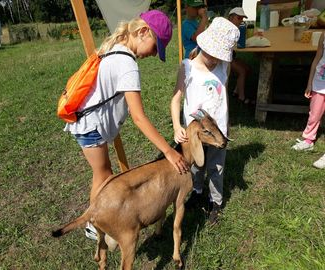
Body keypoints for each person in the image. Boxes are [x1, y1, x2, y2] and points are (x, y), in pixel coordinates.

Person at [64, 10, 189, 239]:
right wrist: (169, 151)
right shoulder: (127, 64)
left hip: (87, 123)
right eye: (155, 47)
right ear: (143, 32)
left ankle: (97, 221)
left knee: (102, 174)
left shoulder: (114, 47)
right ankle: (96, 225)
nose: (153, 54)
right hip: (91, 127)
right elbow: (139, 117)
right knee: (104, 177)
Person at [171, 17, 240, 224]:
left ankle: (215, 202)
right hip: (195, 133)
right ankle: (198, 192)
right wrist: (176, 125)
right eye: (214, 55)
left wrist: (225, 122)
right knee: (196, 166)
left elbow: (223, 93)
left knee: (216, 168)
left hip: (217, 131)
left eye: (221, 56)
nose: (217, 59)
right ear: (204, 44)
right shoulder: (187, 67)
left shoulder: (223, 66)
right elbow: (176, 99)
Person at [291, 32, 325, 169]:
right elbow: (317, 58)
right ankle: (308, 140)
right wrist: (310, 83)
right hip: (319, 82)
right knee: (314, 113)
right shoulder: (324, 35)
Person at [228, 7, 253, 104]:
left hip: (231, 56)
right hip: (224, 59)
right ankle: (241, 97)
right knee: (242, 71)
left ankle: (236, 91)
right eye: (239, 18)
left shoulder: (236, 29)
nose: (241, 21)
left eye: (242, 19)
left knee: (248, 69)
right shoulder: (228, 28)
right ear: (231, 17)